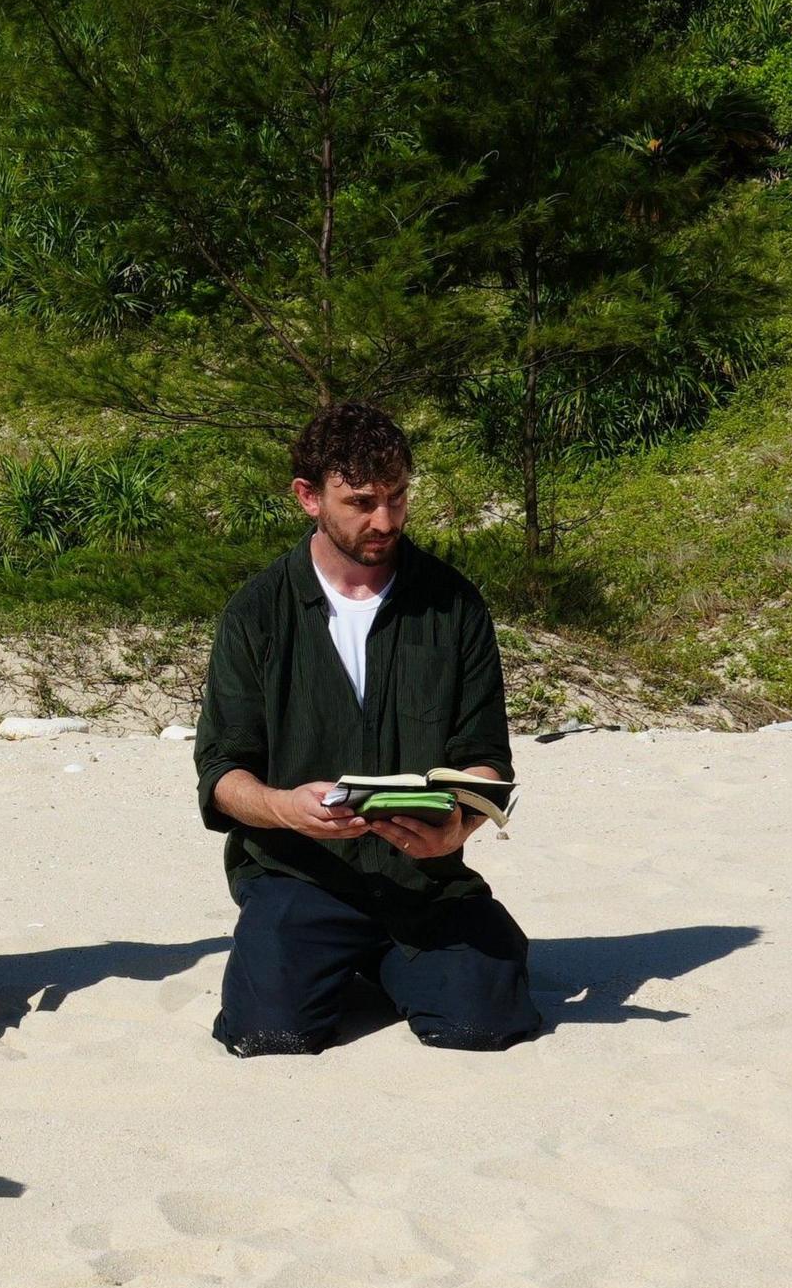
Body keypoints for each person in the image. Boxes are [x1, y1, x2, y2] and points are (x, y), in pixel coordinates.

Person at [193, 405, 541, 1055]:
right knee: (270, 1030)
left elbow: (485, 758)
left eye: (398, 496)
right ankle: (335, 959)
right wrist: (285, 809)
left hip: (425, 880)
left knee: (486, 1022)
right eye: (361, 501)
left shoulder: (454, 605)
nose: (385, 520)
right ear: (308, 497)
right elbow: (221, 775)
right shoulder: (256, 614)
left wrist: (457, 828)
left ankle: (393, 962)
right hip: (299, 873)